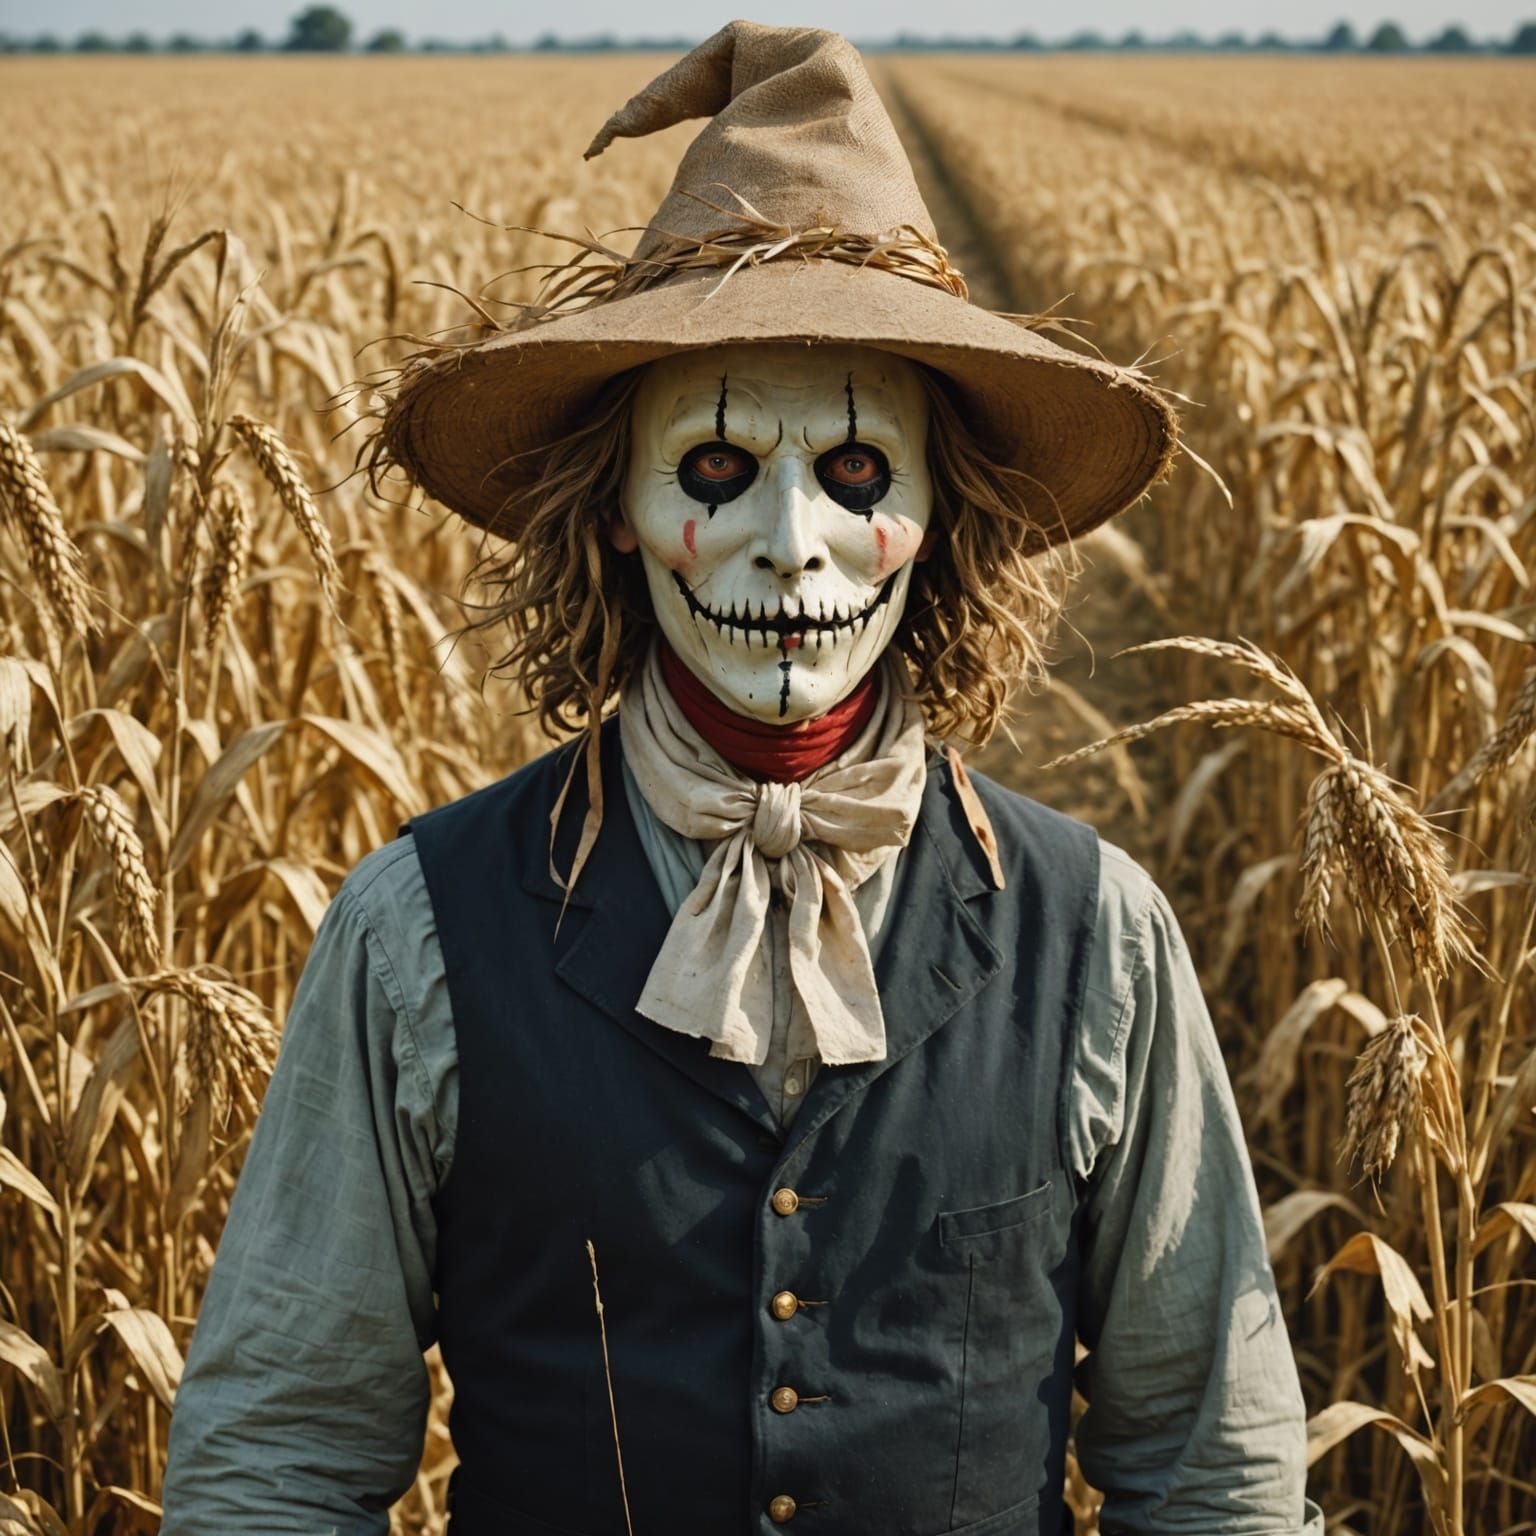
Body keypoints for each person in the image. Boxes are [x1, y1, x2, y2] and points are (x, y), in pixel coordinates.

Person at [162, 22, 1321, 1536]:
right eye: (716, 469)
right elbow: (282, 1463)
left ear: (939, 521)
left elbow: (1214, 1463)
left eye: (856, 475)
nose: (792, 541)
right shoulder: (417, 933)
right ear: (621, 511)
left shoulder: (1097, 935)